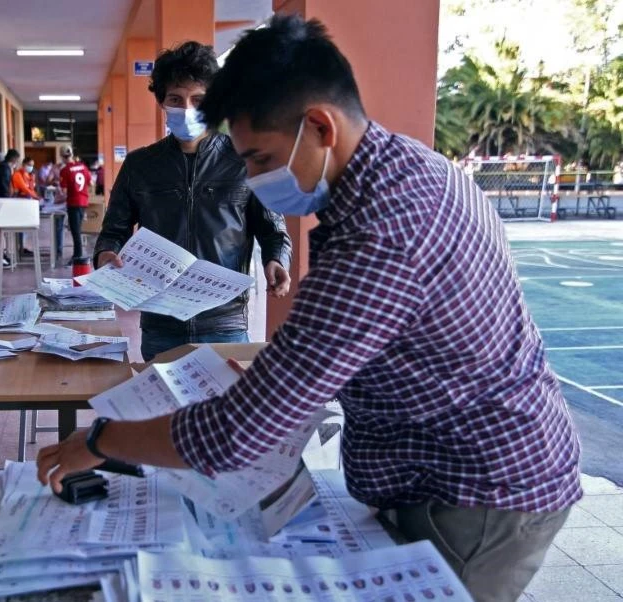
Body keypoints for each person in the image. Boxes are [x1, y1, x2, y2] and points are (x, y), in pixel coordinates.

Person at [38, 15, 581, 602]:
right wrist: (284, 373)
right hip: (443, 469)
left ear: (320, 125)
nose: (251, 177)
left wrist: (97, 442)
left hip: (476, 490)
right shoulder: (410, 168)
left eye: (260, 160)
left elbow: (233, 435)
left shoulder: (380, 234)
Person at [92, 41, 292, 361]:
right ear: (162, 103)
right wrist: (105, 253)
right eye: (175, 99)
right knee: (166, 411)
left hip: (225, 322)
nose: (186, 109)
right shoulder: (140, 166)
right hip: (160, 324)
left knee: (224, 411)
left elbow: (272, 229)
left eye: (198, 99)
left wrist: (276, 260)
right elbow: (114, 229)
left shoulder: (246, 161)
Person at [59, 146, 92, 266]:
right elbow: (91, 182)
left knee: (75, 231)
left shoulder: (65, 170)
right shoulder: (83, 166)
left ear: (62, 156)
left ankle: (77, 256)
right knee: (77, 229)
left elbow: (63, 191)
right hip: (83, 201)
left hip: (73, 202)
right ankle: (77, 254)